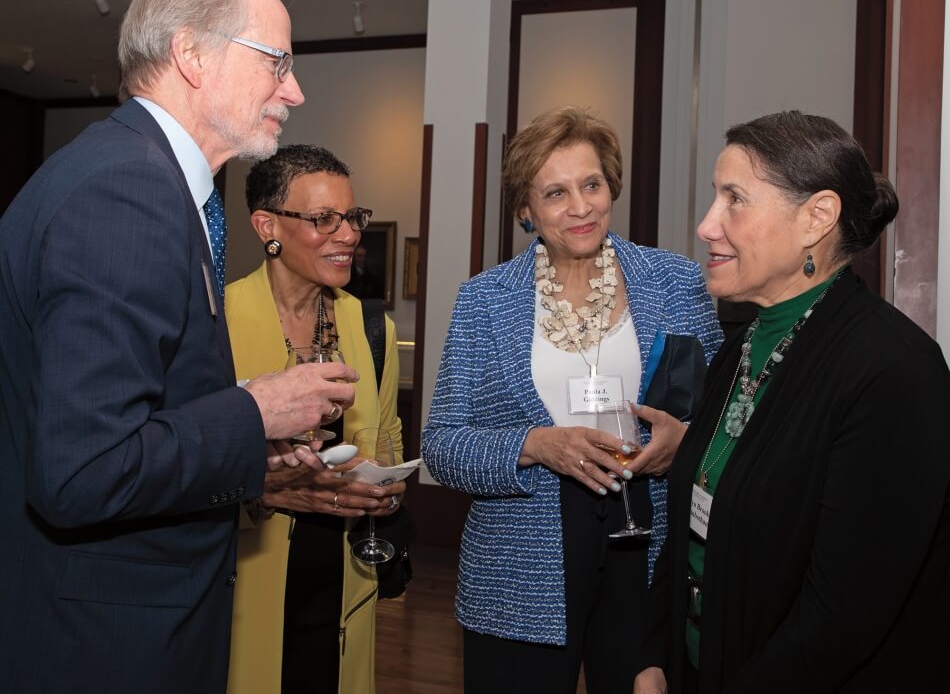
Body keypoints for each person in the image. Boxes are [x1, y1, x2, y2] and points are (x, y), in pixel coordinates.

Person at [0, 0, 358, 693]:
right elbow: (82, 473)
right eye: (277, 62)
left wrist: (243, 444)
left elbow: (128, 420)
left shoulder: (144, 180)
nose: (293, 90)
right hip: (106, 645)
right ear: (191, 56)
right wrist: (254, 412)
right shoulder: (126, 192)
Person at [634, 111, 950, 693]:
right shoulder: (742, 346)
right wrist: (653, 656)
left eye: (735, 199)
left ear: (817, 218)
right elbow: (690, 532)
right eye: (714, 197)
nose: (706, 225)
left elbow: (843, 617)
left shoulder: (895, 373)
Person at [422, 106, 723, 693]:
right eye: (555, 193)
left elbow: (717, 415)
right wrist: (535, 445)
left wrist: (682, 444)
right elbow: (443, 445)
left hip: (650, 545)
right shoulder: (484, 301)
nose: (581, 206)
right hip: (521, 562)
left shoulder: (677, 282)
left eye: (591, 184)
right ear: (525, 210)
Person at [225, 144, 405, 694]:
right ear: (266, 226)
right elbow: (180, 462)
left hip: (345, 575)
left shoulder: (374, 329)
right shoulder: (217, 322)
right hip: (243, 579)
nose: (348, 234)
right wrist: (268, 491)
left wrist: (385, 489)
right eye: (324, 219)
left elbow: (388, 441)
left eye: (353, 217)